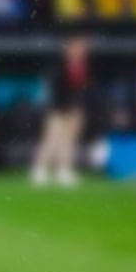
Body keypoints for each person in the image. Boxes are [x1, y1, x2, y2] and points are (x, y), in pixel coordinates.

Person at [32, 37, 91, 187]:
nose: (79, 51)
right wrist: (65, 105)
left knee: (69, 141)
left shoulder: (83, 67)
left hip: (75, 109)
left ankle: (63, 170)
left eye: (81, 49)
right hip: (58, 108)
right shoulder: (60, 66)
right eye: (75, 48)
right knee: (52, 139)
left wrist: (78, 106)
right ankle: (40, 169)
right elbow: (58, 88)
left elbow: (84, 89)